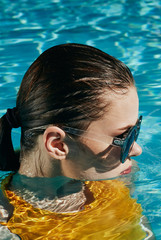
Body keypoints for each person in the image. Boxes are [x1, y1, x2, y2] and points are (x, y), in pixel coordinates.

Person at [0, 43, 153, 239]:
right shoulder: (8, 225)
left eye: (135, 131)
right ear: (57, 145)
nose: (136, 150)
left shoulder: (118, 178)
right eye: (122, 137)